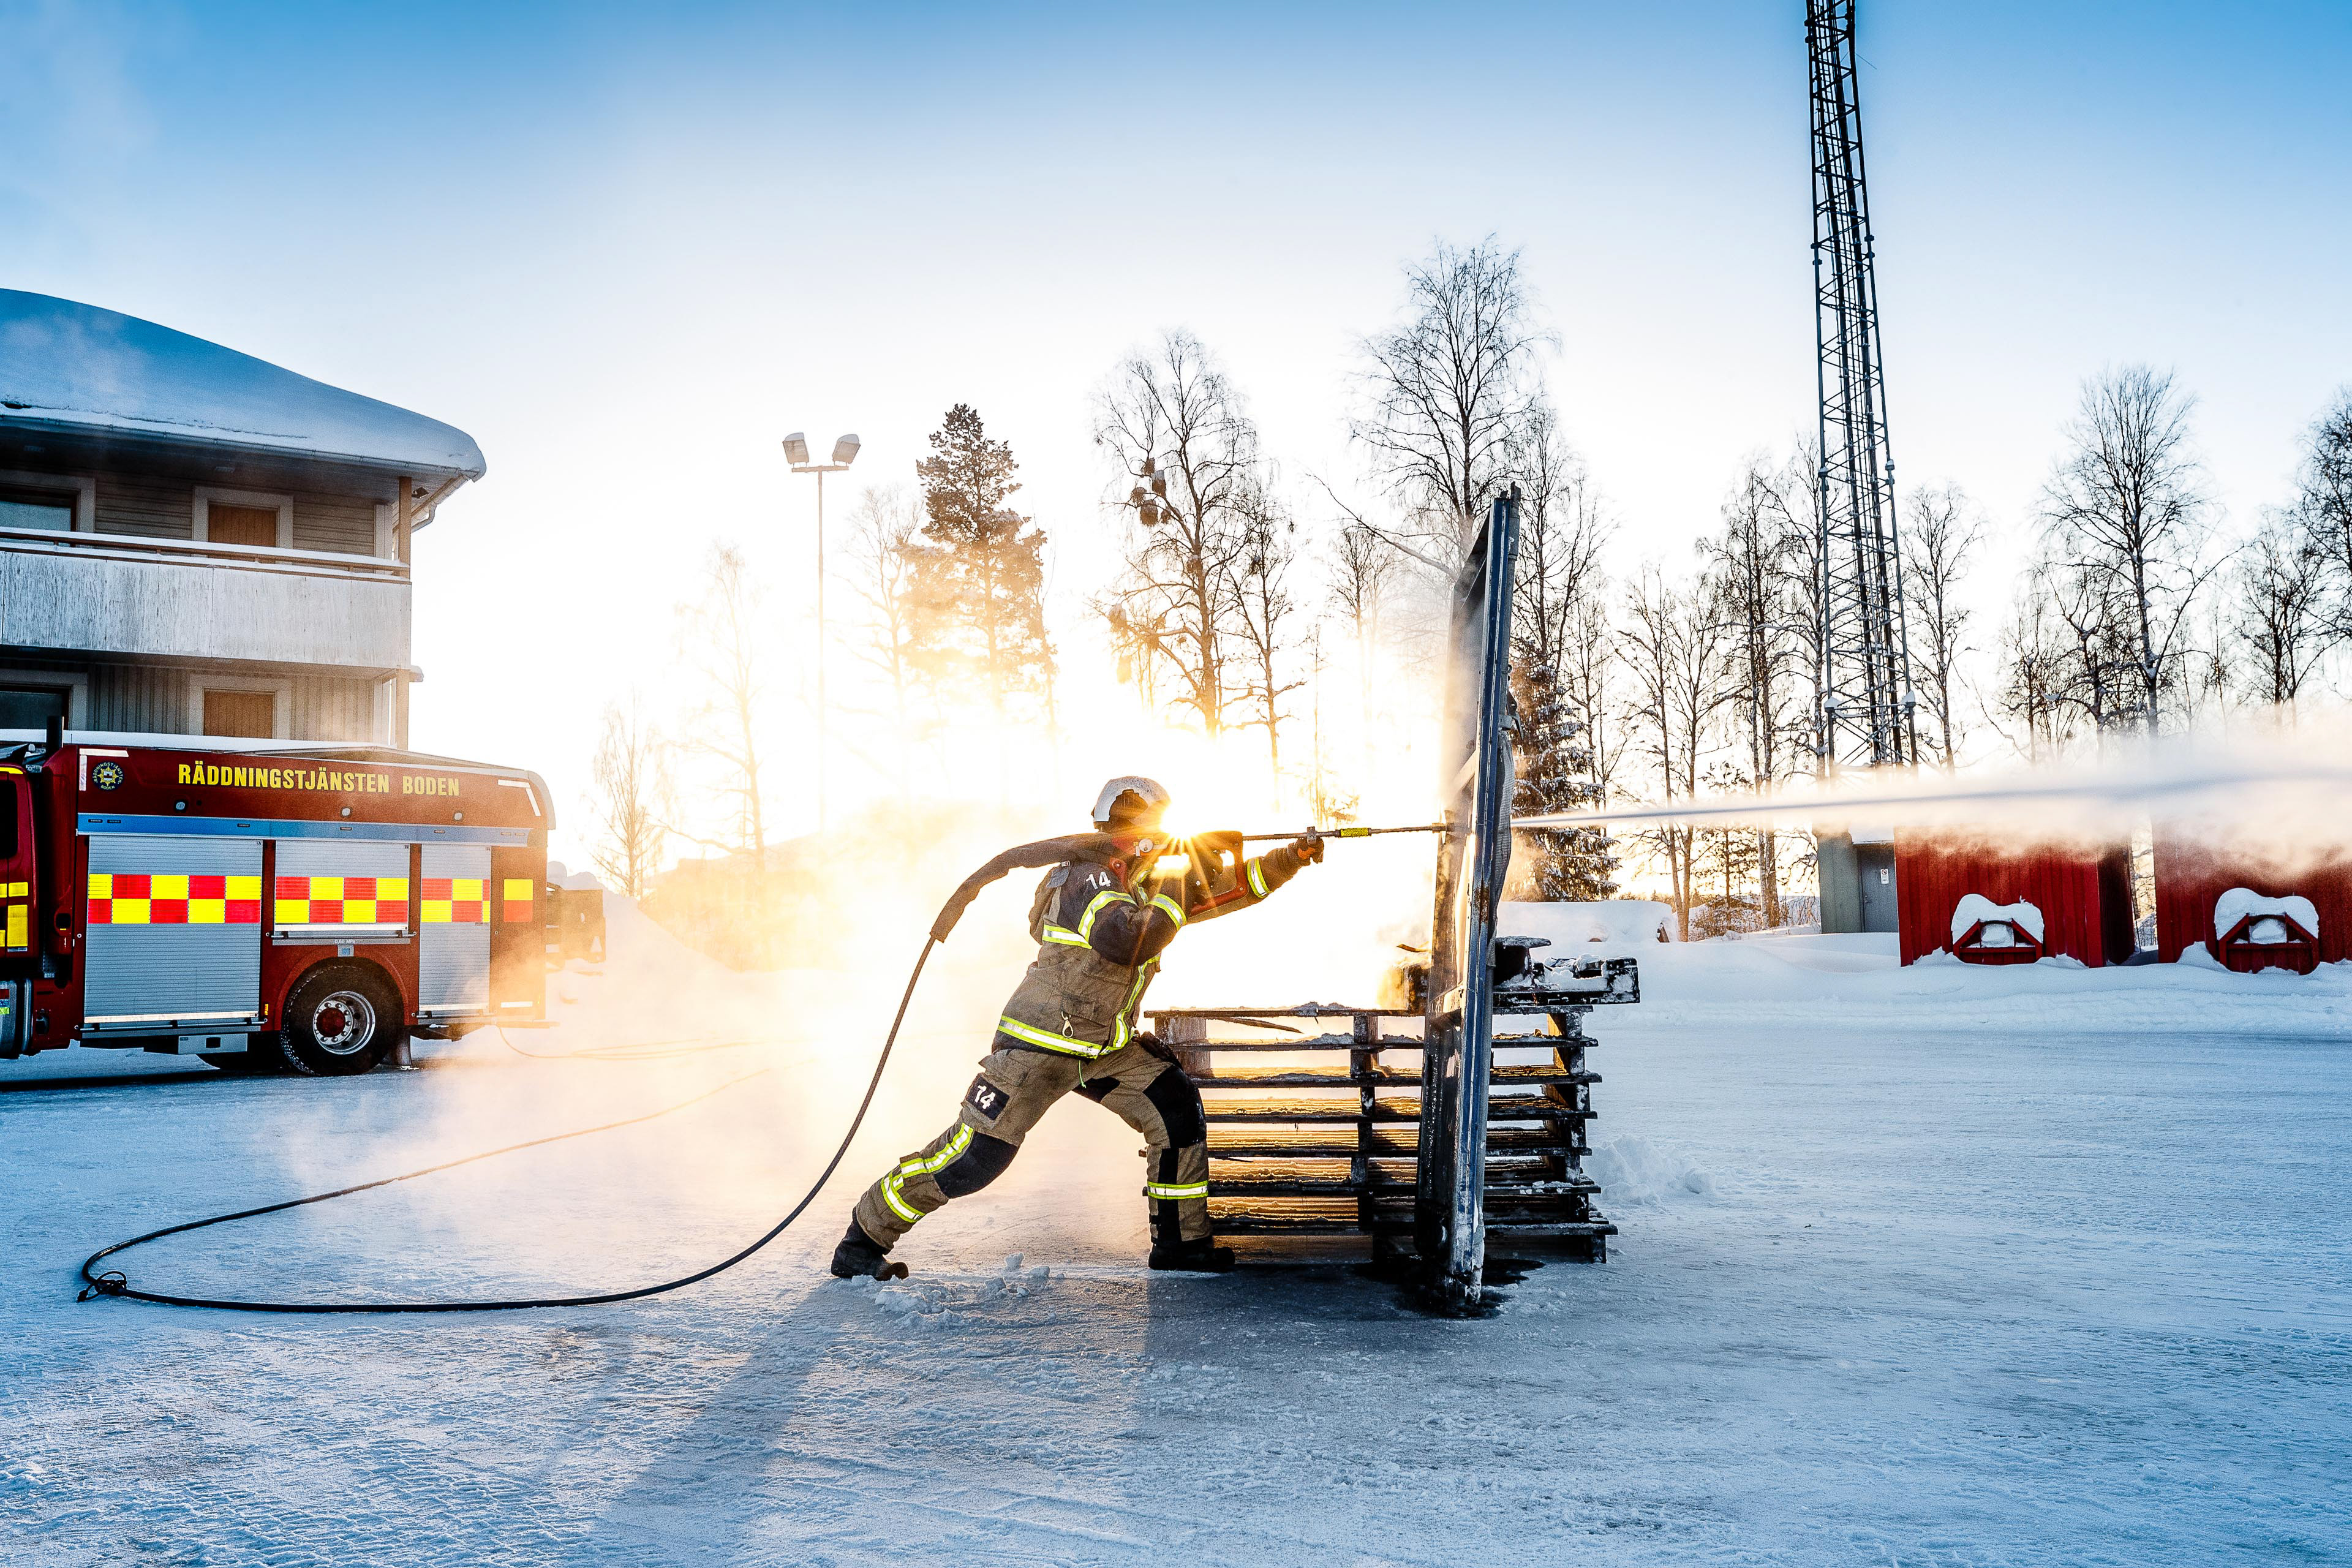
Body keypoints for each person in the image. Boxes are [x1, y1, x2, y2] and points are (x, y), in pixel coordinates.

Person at [831, 776, 1322, 1277]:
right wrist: (1181, 884)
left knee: (1175, 1110)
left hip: (1104, 1049)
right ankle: (863, 1240)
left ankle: (1181, 1245)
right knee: (975, 1158)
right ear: (1120, 825)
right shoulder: (1087, 880)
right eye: (1149, 824)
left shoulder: (1137, 883)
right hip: (1039, 1047)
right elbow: (1128, 938)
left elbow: (1228, 890)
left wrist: (1290, 858)